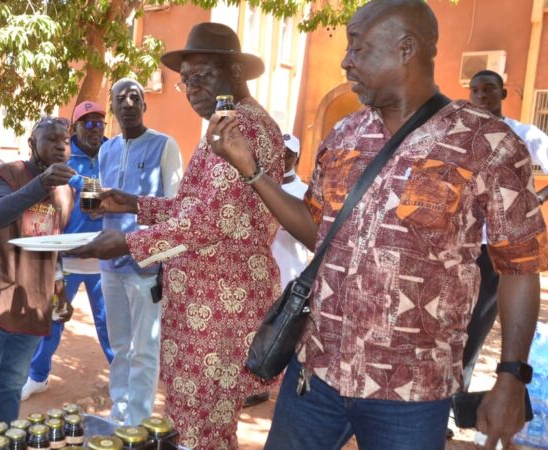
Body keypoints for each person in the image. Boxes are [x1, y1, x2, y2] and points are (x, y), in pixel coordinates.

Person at [209, 1, 546, 449]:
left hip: (411, 394)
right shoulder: (345, 135)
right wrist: (252, 172)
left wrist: (511, 378)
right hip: (316, 376)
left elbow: (519, 267)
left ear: (405, 49)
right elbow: (317, 233)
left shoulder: (487, 143)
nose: (347, 59)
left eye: (358, 47)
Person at [69, 23, 285, 448]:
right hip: (204, 304)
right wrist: (134, 204)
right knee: (202, 426)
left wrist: (129, 242)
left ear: (235, 73)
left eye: (202, 76)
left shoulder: (243, 128)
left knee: (199, 430)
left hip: (218, 309)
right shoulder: (224, 126)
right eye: (186, 81)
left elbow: (209, 222)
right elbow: (199, 209)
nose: (191, 89)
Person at [0, 116, 77, 436]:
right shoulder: (7, 175)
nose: (61, 145)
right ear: (32, 144)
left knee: (11, 385)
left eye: (65, 139)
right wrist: (42, 183)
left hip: (34, 302)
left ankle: (4, 443)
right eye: (51, 139)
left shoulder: (66, 193)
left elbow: (55, 247)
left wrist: (59, 293)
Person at [94, 78, 183, 426]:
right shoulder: (106, 150)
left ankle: (139, 423)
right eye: (121, 98)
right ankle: (120, 413)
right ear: (113, 108)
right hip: (110, 263)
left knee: (144, 349)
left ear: (145, 106)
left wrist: (163, 262)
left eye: (136, 97)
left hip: (146, 265)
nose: (128, 103)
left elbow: (177, 207)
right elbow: (105, 201)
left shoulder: (165, 146)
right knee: (120, 346)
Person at [22, 101, 114, 401]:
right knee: (53, 316)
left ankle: (122, 376)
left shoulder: (113, 153)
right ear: (75, 128)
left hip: (103, 255)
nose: (95, 129)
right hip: (66, 257)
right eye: (87, 123)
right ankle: (38, 376)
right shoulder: (62, 155)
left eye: (100, 122)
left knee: (109, 322)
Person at [462, 69, 548, 392]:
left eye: (489, 90)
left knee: (476, 327)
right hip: (462, 245)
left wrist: (537, 197)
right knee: (451, 324)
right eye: (476, 91)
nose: (481, 96)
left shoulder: (524, 135)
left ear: (503, 94)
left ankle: (454, 402)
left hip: (498, 250)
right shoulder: (465, 136)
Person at [270, 133, 310, 289]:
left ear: (297, 159)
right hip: (259, 276)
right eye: (278, 153)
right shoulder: (259, 186)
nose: (282, 158)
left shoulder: (305, 193)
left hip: (289, 278)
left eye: (288, 155)